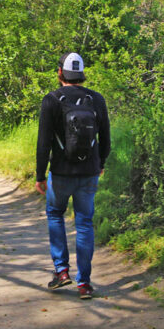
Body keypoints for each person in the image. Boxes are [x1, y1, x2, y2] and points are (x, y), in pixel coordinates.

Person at [35, 52, 111, 299]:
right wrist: (100, 163)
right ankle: (85, 284)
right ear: (82, 73)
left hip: (60, 174)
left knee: (55, 215)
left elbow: (43, 143)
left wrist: (39, 175)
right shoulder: (96, 100)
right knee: (85, 223)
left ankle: (62, 271)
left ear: (60, 73)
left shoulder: (52, 100)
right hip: (89, 174)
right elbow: (106, 140)